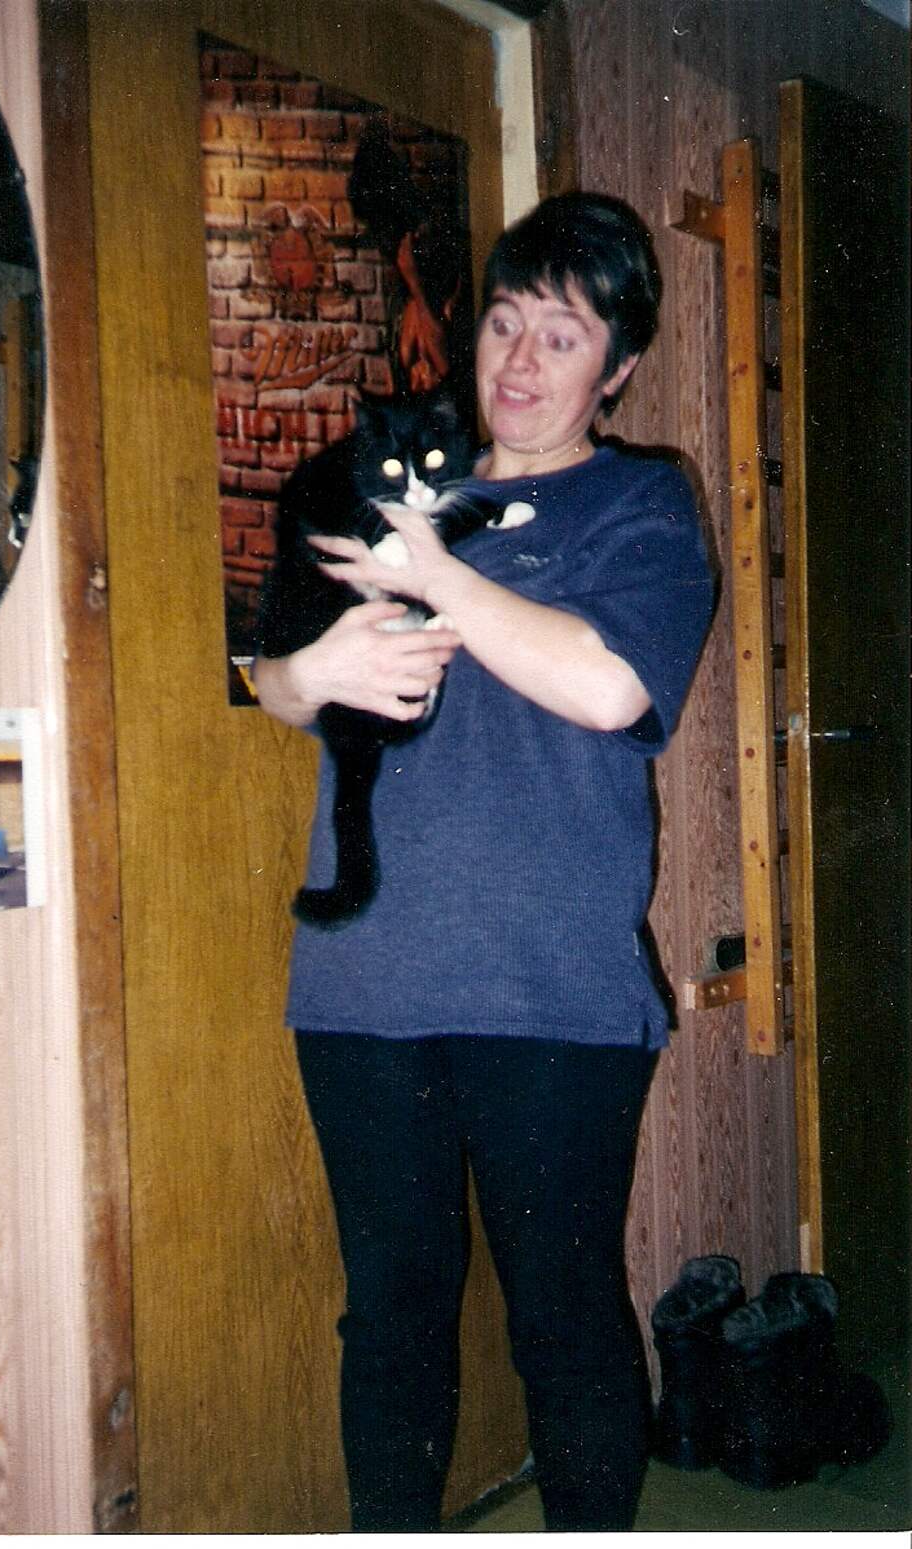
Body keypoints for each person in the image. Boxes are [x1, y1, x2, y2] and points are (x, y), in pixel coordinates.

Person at [252, 191, 714, 1533]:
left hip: (549, 987)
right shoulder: (384, 478)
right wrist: (304, 676)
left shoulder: (640, 503)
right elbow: (267, 671)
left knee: (562, 1319)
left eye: (561, 337)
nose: (517, 359)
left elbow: (613, 687)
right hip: (365, 978)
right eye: (505, 321)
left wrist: (435, 571)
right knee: (389, 1318)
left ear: (618, 367)